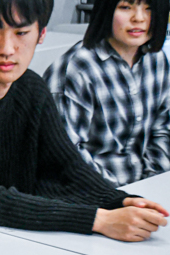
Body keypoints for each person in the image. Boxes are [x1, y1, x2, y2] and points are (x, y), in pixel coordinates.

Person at [0, 0, 168, 243]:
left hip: (2, 239)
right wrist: (98, 220)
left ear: (41, 34)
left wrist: (121, 202)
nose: (7, 49)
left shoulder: (31, 87)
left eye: (21, 33)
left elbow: (69, 169)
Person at [44, 0, 170, 186]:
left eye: (149, 9)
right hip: (94, 192)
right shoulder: (76, 69)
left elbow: (163, 130)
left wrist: (151, 183)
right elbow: (68, 155)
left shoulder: (156, 60)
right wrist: (118, 195)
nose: (139, 18)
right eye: (126, 7)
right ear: (106, 10)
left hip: (146, 188)